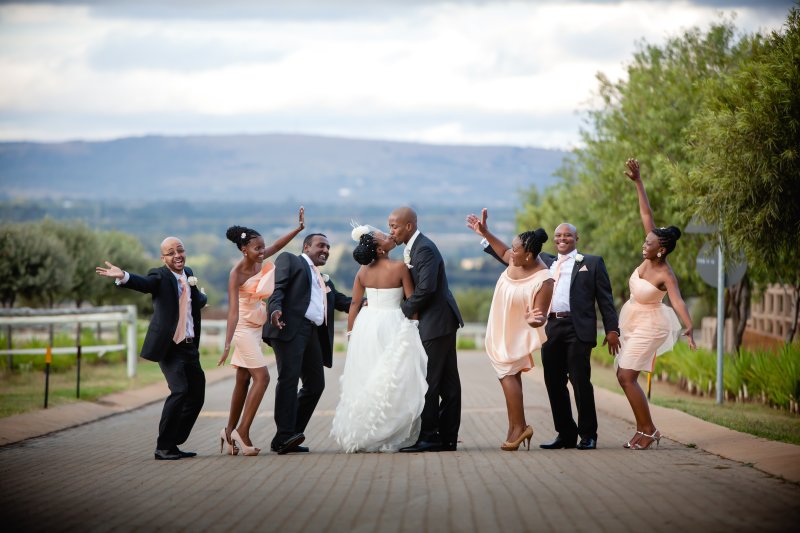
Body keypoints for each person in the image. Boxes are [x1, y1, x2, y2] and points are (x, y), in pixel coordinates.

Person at [480, 213, 619, 450]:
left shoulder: (592, 263)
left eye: (567, 235)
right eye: (558, 235)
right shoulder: (542, 261)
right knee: (554, 382)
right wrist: (485, 236)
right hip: (551, 327)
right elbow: (509, 255)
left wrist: (612, 330)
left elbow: (605, 300)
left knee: (580, 381)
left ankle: (588, 434)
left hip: (577, 328)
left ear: (576, 238)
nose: (562, 239)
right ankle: (565, 434)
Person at [95, 237, 206, 460]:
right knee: (180, 391)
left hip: (189, 346)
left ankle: (173, 441)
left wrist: (202, 297)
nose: (177, 255)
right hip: (170, 347)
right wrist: (123, 276)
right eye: (171, 253)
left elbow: (192, 300)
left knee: (197, 394)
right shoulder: (160, 276)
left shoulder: (188, 273)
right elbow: (145, 284)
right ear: (163, 258)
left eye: (180, 250)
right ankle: (163, 447)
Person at [620, 158, 696, 450]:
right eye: (646, 241)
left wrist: (689, 326)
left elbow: (677, 301)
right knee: (623, 375)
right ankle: (644, 429)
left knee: (627, 376)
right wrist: (638, 182)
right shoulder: (650, 252)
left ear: (661, 249)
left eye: (649, 243)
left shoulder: (665, 273)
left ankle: (649, 430)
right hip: (634, 319)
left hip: (652, 326)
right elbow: (646, 212)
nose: (644, 244)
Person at [330, 226, 428, 452]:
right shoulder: (399, 267)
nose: (388, 235)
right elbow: (411, 300)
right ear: (380, 250)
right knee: (394, 375)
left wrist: (351, 332)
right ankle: (390, 429)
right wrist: (414, 325)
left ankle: (366, 430)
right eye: (383, 237)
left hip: (366, 325)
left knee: (368, 373)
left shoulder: (362, 272)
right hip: (393, 322)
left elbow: (355, 304)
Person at [216, 208, 305, 457]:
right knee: (263, 377)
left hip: (257, 326)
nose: (263, 252)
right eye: (257, 248)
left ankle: (228, 431)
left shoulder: (259, 260)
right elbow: (233, 313)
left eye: (263, 247)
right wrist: (227, 344)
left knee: (243, 380)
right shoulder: (236, 274)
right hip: (243, 328)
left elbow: (277, 245)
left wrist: (298, 229)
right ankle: (242, 432)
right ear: (244, 249)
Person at [466, 210, 553, 451]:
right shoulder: (515, 259)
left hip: (518, 332)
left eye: (516, 250)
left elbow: (540, 317)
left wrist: (532, 320)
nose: (510, 254)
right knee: (510, 375)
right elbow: (503, 252)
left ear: (530, 255)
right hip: (502, 326)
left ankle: (519, 428)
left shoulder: (544, 280)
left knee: (507, 374)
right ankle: (516, 426)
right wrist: (485, 233)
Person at [263, 232, 352, 454]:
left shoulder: (323, 279)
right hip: (288, 327)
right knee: (289, 380)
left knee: (315, 385)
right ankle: (284, 436)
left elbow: (341, 301)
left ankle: (291, 434)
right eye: (321, 245)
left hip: (312, 332)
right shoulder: (290, 260)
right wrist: (275, 310)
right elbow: (277, 288)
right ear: (306, 247)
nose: (326, 250)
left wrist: (371, 302)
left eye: (328, 247)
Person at [388, 207, 464, 453]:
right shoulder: (415, 247)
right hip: (440, 322)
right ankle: (447, 438)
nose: (391, 231)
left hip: (436, 322)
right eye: (390, 226)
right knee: (448, 383)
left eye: (394, 226)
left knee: (428, 381)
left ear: (409, 226)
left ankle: (430, 436)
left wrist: (401, 311)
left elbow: (426, 289)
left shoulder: (424, 249)